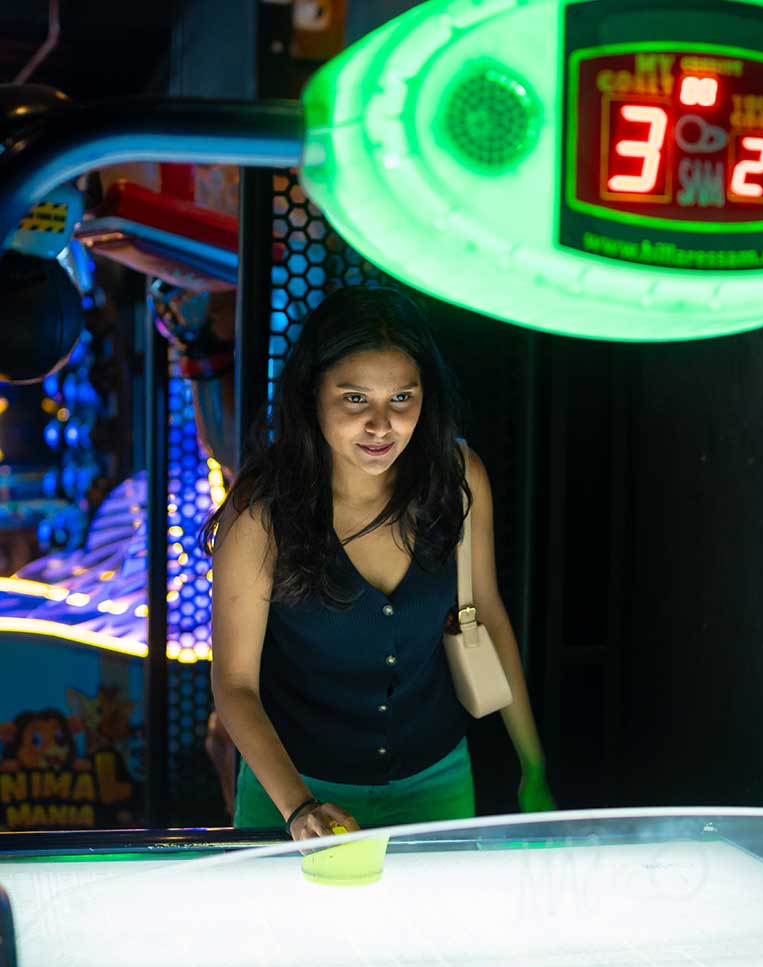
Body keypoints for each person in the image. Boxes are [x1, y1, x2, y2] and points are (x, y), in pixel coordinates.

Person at [204, 284, 552, 842]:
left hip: (437, 782)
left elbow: (488, 614)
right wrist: (299, 809)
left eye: (402, 398)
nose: (381, 425)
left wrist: (532, 767)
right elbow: (234, 683)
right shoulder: (261, 512)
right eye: (355, 399)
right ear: (311, 392)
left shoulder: (458, 480)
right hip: (293, 790)